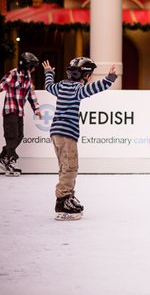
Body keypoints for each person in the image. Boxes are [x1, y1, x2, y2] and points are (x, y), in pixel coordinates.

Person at [43, 57, 118, 220]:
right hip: (67, 134)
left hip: (55, 132)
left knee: (65, 166)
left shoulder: (61, 86)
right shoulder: (78, 89)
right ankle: (62, 201)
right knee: (71, 167)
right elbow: (96, 88)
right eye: (90, 75)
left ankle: (68, 196)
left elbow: (48, 86)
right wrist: (110, 78)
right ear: (85, 75)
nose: (90, 78)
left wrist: (49, 73)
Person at [0, 52, 42, 176]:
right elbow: (2, 85)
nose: (33, 69)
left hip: (19, 112)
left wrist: (37, 109)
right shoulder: (13, 74)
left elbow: (30, 94)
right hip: (10, 110)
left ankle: (3, 156)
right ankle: (11, 161)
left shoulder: (27, 76)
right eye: (32, 66)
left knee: (20, 136)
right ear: (26, 65)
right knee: (12, 137)